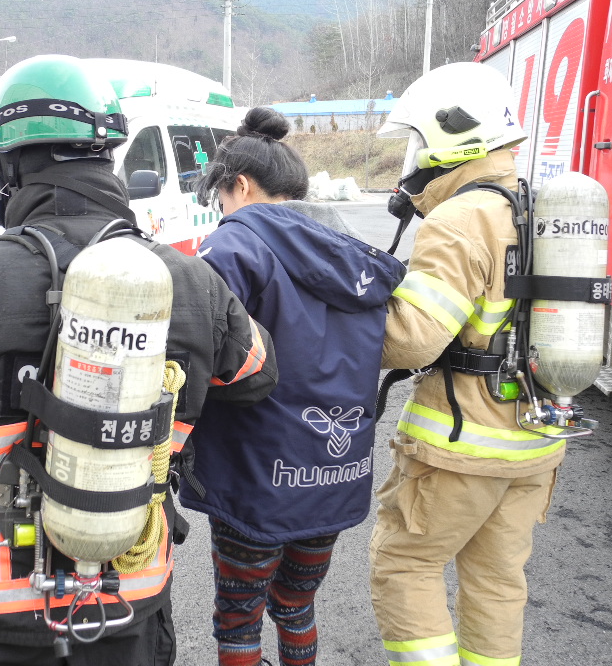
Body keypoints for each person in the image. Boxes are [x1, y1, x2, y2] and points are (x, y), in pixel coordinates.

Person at [0, 54, 278, 666]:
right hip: (126, 595)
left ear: (9, 166)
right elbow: (256, 375)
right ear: (108, 158)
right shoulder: (191, 281)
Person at [181, 107, 405, 666]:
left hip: (256, 472)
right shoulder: (352, 248)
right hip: (336, 470)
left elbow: (197, 350)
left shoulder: (234, 247)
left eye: (222, 198)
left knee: (239, 616)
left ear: (240, 185)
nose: (223, 211)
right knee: (297, 604)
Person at [368, 62, 567, 666]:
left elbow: (413, 340)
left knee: (405, 564)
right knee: (497, 582)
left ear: (450, 134)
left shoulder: (461, 219)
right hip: (535, 442)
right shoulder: (537, 205)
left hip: (462, 446)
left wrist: (345, 321)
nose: (413, 157)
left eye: (418, 140)